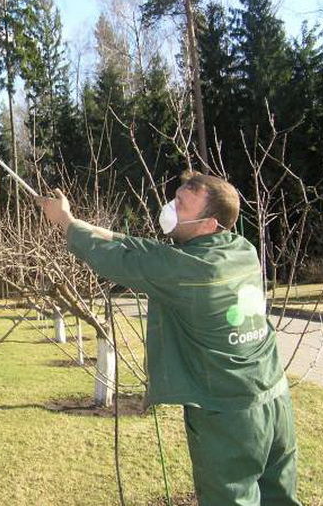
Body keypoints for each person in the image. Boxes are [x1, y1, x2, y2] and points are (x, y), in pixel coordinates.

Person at [38, 171, 300, 506]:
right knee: (280, 498)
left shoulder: (186, 271)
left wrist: (66, 221)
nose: (170, 208)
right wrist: (96, 229)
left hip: (228, 416)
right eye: (174, 199)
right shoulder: (241, 249)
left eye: (181, 205)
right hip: (274, 399)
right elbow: (148, 250)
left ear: (209, 224)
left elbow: (117, 260)